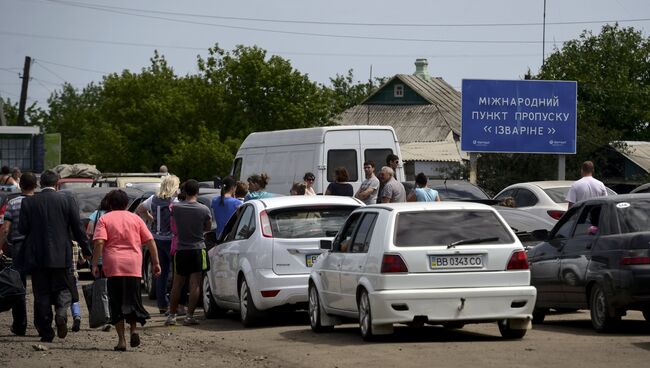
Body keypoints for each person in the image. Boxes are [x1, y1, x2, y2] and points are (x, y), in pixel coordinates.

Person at [15, 170, 91, 343]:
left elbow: (22, 229)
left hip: (37, 256)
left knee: (41, 293)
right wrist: (86, 249)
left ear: (40, 184)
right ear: (58, 183)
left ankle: (47, 332)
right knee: (64, 287)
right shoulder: (67, 200)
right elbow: (78, 228)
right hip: (61, 254)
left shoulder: (29, 203)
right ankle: (62, 312)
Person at [91, 189, 161, 351]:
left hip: (113, 266)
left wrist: (95, 264)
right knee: (132, 301)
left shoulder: (104, 219)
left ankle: (122, 340)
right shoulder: (135, 218)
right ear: (126, 203)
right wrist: (156, 263)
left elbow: (100, 242)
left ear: (109, 203)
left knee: (116, 303)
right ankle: (134, 330)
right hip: (133, 266)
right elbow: (150, 242)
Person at [165, 180, 212, 326]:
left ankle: (172, 315)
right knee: (195, 283)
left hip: (181, 249)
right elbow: (208, 227)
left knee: (177, 284)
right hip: (198, 248)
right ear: (198, 191)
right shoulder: (204, 209)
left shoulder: (176, 208)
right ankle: (189, 316)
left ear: (184, 191)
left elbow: (172, 225)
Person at [135, 174, 179, 314]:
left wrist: (150, 218)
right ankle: (175, 303)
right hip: (171, 240)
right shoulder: (175, 200)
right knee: (177, 273)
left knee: (161, 271)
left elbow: (140, 209)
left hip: (156, 239)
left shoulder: (153, 199)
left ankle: (162, 304)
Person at [0, 172, 37, 336]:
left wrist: (0, 246)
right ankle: (42, 323)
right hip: (37, 248)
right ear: (35, 186)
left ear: (20, 185)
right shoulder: (39, 203)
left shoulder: (12, 203)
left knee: (18, 287)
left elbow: (5, 228)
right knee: (40, 287)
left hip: (19, 248)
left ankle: (20, 325)